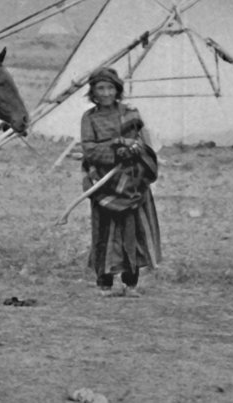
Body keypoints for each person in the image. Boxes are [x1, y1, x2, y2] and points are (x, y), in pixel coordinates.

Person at [80, 67, 161, 297]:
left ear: (118, 90)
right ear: (93, 92)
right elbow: (89, 149)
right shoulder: (90, 118)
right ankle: (104, 283)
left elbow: (145, 143)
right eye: (100, 88)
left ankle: (130, 283)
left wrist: (134, 150)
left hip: (132, 180)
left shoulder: (131, 113)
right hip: (104, 181)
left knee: (132, 231)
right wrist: (117, 149)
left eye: (110, 88)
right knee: (105, 231)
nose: (106, 93)